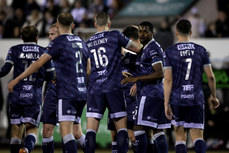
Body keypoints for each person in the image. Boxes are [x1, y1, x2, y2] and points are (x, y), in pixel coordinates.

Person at [8, 12, 89, 153]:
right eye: (49, 34)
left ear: (59, 29)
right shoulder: (77, 43)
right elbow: (87, 68)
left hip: (66, 91)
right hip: (54, 90)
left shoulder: (61, 43)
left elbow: (37, 65)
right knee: (47, 130)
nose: (50, 37)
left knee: (72, 132)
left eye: (52, 34)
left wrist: (17, 79)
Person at [85, 12, 142, 153]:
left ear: (95, 24)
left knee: (91, 130)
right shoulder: (115, 35)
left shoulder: (87, 43)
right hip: (113, 87)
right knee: (121, 127)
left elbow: (88, 71)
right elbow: (136, 48)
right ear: (109, 24)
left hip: (94, 89)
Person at [163, 19, 220, 153]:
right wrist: (214, 96)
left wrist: (166, 103)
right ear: (191, 32)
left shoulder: (170, 51)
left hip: (177, 100)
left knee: (180, 136)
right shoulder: (201, 50)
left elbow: (168, 80)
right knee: (198, 137)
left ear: (176, 32)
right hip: (196, 98)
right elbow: (211, 76)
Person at [0, 25, 54, 153]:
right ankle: (26, 149)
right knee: (32, 128)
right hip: (34, 95)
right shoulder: (44, 51)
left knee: (16, 131)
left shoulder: (14, 50)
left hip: (16, 95)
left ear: (21, 37)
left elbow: (4, 71)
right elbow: (51, 76)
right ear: (36, 38)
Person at [121, 21, 171, 153]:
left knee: (138, 129)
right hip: (157, 93)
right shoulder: (146, 48)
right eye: (140, 31)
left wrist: (136, 79)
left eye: (145, 31)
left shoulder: (152, 48)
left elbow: (160, 73)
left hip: (150, 93)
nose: (142, 34)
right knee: (157, 131)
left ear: (152, 33)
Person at [107, 25, 140, 153]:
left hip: (132, 99)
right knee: (114, 134)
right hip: (117, 97)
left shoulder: (139, 54)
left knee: (132, 135)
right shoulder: (119, 53)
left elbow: (146, 71)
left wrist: (138, 83)